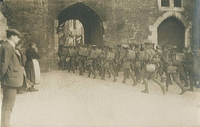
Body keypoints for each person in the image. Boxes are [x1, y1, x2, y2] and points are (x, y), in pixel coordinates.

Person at [0, 29, 24, 127]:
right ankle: (4, 124)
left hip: (11, 79)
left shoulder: (9, 47)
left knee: (9, 103)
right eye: (17, 37)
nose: (18, 39)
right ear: (12, 37)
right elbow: (3, 65)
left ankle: (5, 123)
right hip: (10, 79)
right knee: (8, 104)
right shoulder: (7, 47)